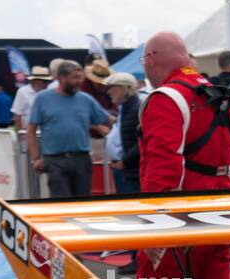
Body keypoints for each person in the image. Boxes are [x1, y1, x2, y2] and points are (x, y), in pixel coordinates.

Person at [137, 31, 230, 279]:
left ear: (149, 60)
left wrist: (154, 226)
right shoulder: (219, 97)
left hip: (178, 224)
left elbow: (162, 171)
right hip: (219, 220)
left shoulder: (167, 99)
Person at [27, 61, 110, 198]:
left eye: (80, 77)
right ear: (61, 78)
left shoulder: (86, 100)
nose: (79, 81)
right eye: (75, 77)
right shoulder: (42, 99)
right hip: (55, 160)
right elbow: (31, 130)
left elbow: (107, 120)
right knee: (62, 202)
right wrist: (35, 158)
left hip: (82, 159)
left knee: (83, 203)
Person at [105, 72, 141, 193]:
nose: (109, 92)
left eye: (112, 87)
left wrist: (125, 161)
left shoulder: (136, 109)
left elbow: (144, 141)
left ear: (125, 88)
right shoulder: (125, 109)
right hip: (125, 169)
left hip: (131, 171)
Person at [11, 66, 50, 132]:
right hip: (26, 132)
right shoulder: (23, 92)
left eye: (48, 81)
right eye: (45, 81)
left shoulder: (48, 92)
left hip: (44, 133)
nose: (47, 83)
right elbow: (17, 115)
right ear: (36, 81)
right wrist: (21, 133)